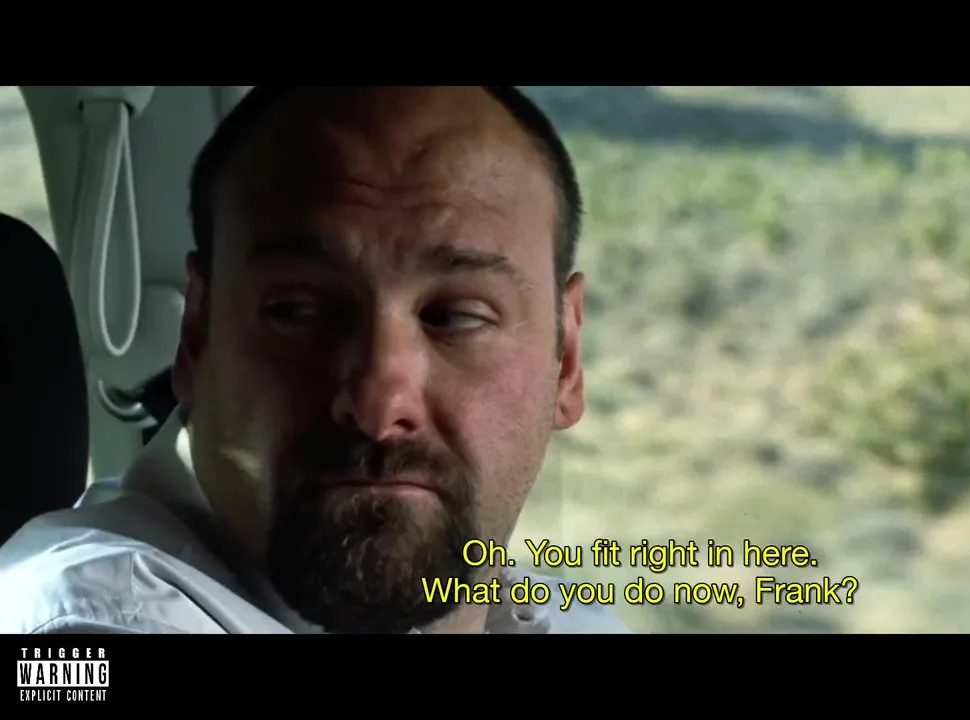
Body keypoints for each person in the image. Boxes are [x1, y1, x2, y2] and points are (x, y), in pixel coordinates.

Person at [0, 86, 629, 634]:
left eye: (456, 316)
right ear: (196, 337)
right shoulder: (93, 622)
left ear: (567, 361)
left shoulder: (565, 615)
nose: (379, 405)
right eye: (299, 311)